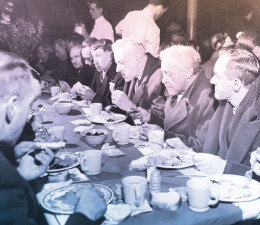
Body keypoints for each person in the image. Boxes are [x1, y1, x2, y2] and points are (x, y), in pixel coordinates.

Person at [0, 50, 106, 224]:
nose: (30, 114)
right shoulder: (5, 181)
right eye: (28, 106)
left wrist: (20, 175)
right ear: (12, 108)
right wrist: (83, 215)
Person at [191, 48, 260, 176]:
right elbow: (211, 149)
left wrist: (225, 168)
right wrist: (185, 152)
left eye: (218, 76)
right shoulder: (226, 101)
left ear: (236, 84)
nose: (212, 80)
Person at [140, 45, 217, 148]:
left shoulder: (209, 98)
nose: (163, 80)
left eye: (169, 74)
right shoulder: (176, 87)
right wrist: (151, 123)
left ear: (188, 72)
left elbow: (202, 146)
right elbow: (171, 123)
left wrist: (164, 135)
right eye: (163, 74)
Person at [111, 38, 164, 123]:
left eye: (121, 62)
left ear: (138, 59)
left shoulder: (160, 77)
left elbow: (159, 121)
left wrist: (130, 108)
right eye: (117, 63)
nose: (117, 69)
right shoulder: (133, 73)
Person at [76, 39, 124, 106]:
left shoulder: (119, 75)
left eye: (98, 56)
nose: (95, 62)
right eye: (93, 57)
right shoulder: (99, 71)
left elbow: (117, 107)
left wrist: (93, 97)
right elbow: (93, 92)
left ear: (111, 55)